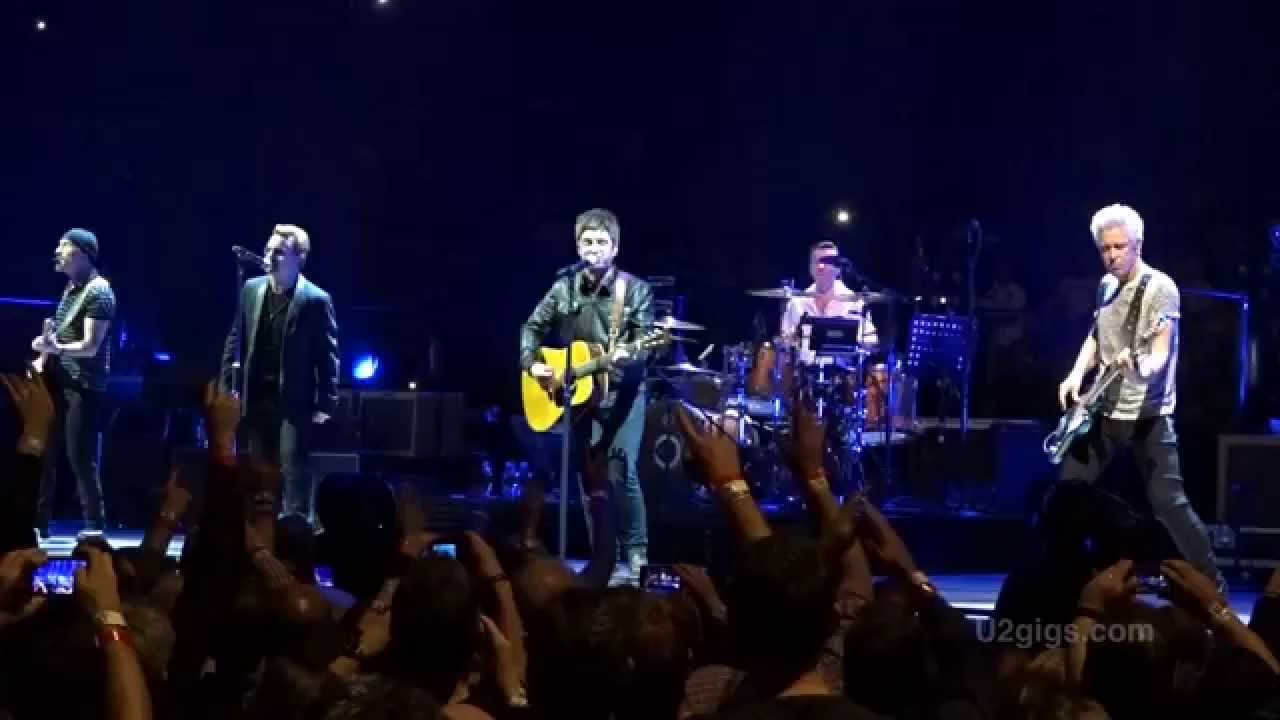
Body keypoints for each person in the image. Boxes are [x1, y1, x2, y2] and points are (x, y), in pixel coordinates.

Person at [1055, 203, 1224, 589]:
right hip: (1103, 409)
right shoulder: (1106, 285)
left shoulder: (1161, 288)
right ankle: (1061, 584)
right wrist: (1075, 374)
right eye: (1105, 248)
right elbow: (1096, 335)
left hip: (1148, 414)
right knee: (1067, 495)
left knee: (1169, 504)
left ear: (1138, 245)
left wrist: (1139, 369)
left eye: (1120, 247)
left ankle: (1214, 587)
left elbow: (1160, 353)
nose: (1112, 255)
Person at [520, 208, 655, 581]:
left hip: (623, 393)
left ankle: (637, 554)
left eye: (601, 242)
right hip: (580, 395)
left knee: (621, 470)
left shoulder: (636, 290)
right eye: (587, 242)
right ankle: (602, 556)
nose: (594, 248)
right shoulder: (564, 286)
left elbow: (644, 345)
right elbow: (531, 327)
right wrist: (533, 365)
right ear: (578, 247)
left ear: (615, 248)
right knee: (588, 475)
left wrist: (627, 355)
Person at [222, 224, 339, 520]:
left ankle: (296, 526)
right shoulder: (252, 289)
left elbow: (328, 355)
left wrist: (326, 402)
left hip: (293, 399)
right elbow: (235, 338)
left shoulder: (315, 299)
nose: (270, 256)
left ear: (300, 258)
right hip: (256, 395)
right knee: (259, 466)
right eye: (268, 250)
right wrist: (227, 386)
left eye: (279, 252)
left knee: (291, 465)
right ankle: (261, 527)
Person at [32, 228, 116, 537]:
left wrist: (56, 348)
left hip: (82, 385)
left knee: (80, 456)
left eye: (63, 246)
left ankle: (94, 525)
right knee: (45, 452)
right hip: (60, 378)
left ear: (83, 253)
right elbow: (62, 335)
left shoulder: (99, 292)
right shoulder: (71, 287)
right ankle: (38, 522)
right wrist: (45, 349)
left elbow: (90, 346)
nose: (57, 251)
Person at [779, 240, 880, 364]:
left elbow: (871, 340)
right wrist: (789, 341)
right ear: (810, 268)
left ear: (838, 269)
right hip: (804, 372)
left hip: (842, 372)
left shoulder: (854, 302)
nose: (820, 267)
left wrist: (856, 344)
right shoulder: (797, 302)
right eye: (816, 262)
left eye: (826, 262)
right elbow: (784, 343)